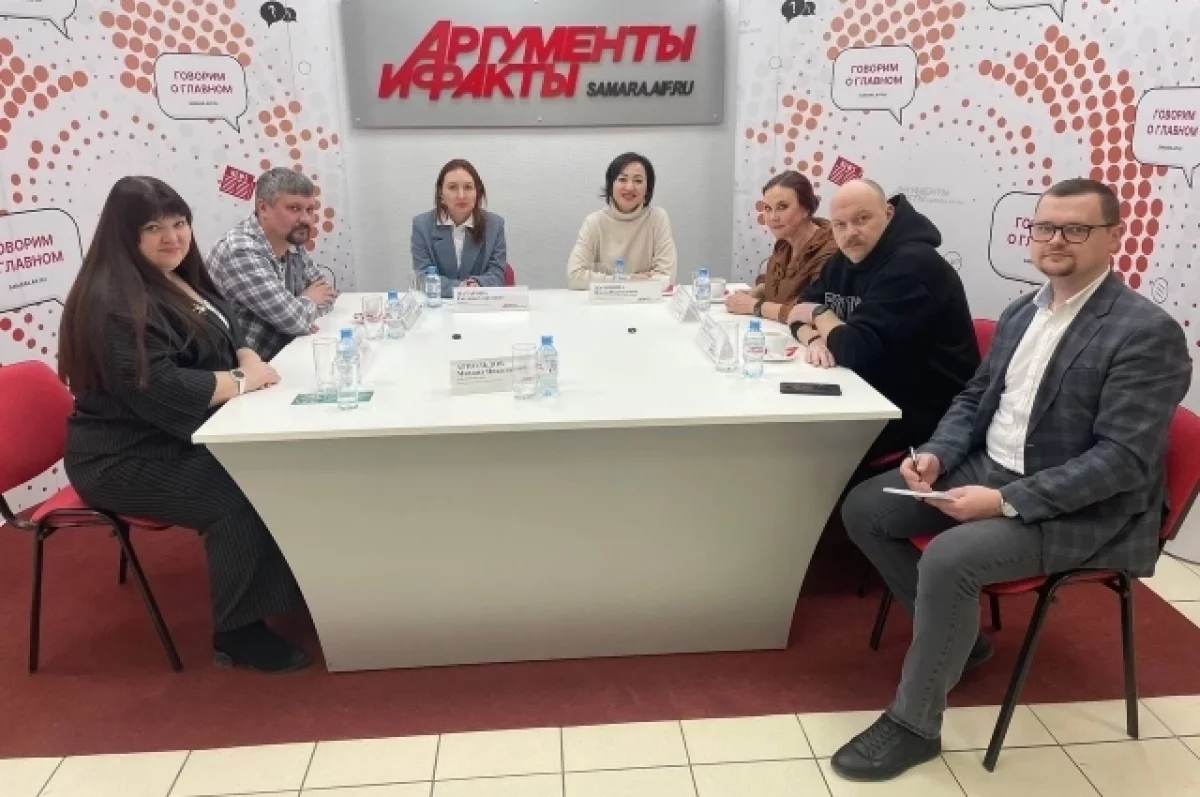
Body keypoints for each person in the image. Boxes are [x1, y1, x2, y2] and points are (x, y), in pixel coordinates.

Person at [833, 178, 1192, 781]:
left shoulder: (1144, 332)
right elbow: (975, 397)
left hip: (1084, 506)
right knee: (865, 509)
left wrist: (1004, 501)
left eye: (1076, 229)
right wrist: (939, 455)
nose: (1056, 240)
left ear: (1113, 237)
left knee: (950, 558)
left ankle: (914, 725)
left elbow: (1122, 462)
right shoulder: (1024, 310)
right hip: (990, 466)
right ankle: (961, 639)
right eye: (1045, 227)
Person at [58, 176, 312, 673]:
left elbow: (228, 325)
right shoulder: (112, 303)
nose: (172, 237)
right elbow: (161, 388)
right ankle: (238, 633)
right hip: (122, 454)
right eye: (153, 227)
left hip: (173, 433)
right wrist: (242, 379)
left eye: (179, 223)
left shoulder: (176, 276)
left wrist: (244, 356)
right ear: (125, 234)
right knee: (240, 490)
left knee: (278, 464)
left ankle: (291, 584)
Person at [788, 179, 980, 463]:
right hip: (867, 390)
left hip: (925, 413)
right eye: (840, 224)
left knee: (797, 445)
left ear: (888, 214)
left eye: (861, 219)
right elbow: (796, 312)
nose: (851, 233)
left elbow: (852, 348)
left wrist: (819, 314)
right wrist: (816, 338)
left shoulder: (913, 265)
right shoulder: (843, 260)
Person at [207, 168, 337, 361]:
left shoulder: (290, 239)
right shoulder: (241, 251)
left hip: (282, 355)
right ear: (263, 209)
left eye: (310, 210)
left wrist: (301, 312)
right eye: (294, 208)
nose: (306, 219)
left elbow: (326, 294)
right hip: (243, 369)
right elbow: (294, 320)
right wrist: (307, 303)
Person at [725, 170, 838, 322]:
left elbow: (812, 311)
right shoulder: (784, 243)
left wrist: (754, 306)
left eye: (782, 207)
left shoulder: (831, 250)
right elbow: (779, 286)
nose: (773, 217)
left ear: (806, 209)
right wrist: (756, 292)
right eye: (767, 208)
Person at [566, 152, 678, 289]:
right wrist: (628, 280)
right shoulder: (594, 222)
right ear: (611, 185)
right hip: (604, 301)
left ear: (647, 188)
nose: (629, 187)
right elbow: (574, 276)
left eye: (638, 181)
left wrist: (607, 281)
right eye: (622, 179)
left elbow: (666, 278)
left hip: (647, 301)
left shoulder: (657, 218)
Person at [410, 159, 508, 298]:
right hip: (438, 305)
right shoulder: (422, 225)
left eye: (468, 187)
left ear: (477, 192)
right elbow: (423, 276)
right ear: (441, 194)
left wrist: (475, 286)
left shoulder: (495, 225)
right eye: (452, 187)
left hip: (480, 305)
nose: (461, 195)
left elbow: (497, 275)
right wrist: (462, 289)